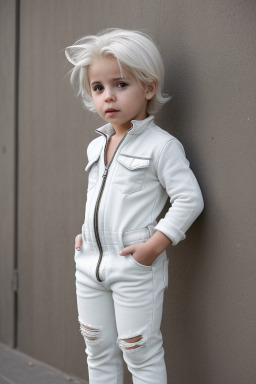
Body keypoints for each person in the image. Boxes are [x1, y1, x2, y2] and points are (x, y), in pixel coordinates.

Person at [65, 28, 204, 384]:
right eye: (98, 88)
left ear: (149, 87)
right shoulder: (97, 146)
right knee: (97, 349)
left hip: (134, 265)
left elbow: (190, 199)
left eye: (121, 84)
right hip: (90, 265)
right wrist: (85, 237)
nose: (108, 96)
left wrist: (154, 246)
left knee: (139, 351)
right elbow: (98, 197)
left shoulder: (161, 146)